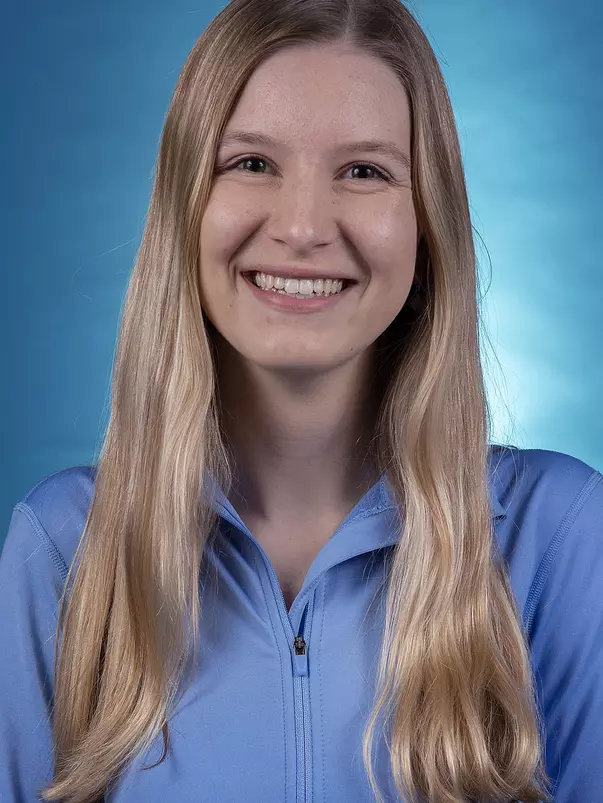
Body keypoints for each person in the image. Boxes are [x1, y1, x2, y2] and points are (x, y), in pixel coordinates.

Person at [1, 0, 602, 801]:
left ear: (426, 228)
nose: (303, 226)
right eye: (251, 162)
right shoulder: (63, 551)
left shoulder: (557, 535)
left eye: (364, 171)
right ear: (185, 207)